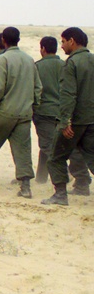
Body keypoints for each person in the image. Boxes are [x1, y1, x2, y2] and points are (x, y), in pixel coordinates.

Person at [0, 27, 42, 197]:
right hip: (24, 113)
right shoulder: (29, 60)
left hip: (4, 112)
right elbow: (38, 88)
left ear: (3, 40)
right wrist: (33, 106)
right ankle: (25, 187)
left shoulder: (2, 60)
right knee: (23, 151)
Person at [42, 27, 94, 205]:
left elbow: (68, 95)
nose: (61, 46)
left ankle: (60, 195)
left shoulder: (71, 64)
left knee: (56, 157)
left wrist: (65, 122)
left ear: (72, 41)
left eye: (63, 42)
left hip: (76, 120)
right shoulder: (92, 59)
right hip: (91, 119)